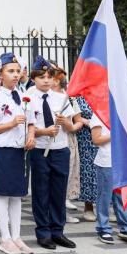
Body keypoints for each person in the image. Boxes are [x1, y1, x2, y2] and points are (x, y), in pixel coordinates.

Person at [0, 53, 34, 254]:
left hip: (21, 151)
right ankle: (5, 238)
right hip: (5, 151)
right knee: (3, 194)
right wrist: (11, 124)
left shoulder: (24, 97)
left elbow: (31, 122)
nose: (15, 75)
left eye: (18, 71)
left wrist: (31, 136)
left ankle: (16, 236)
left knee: (17, 195)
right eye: (10, 71)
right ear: (0, 74)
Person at [27, 56, 78, 250]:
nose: (46, 80)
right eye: (41, 77)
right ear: (34, 79)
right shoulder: (28, 100)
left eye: (49, 77)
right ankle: (43, 232)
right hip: (40, 150)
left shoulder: (62, 99)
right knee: (41, 192)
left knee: (58, 191)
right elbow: (26, 129)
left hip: (60, 150)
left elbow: (71, 127)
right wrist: (44, 132)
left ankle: (58, 231)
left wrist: (65, 122)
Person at [48, 64, 84, 223]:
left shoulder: (68, 98)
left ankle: (61, 211)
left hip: (67, 140)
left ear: (56, 81)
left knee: (64, 176)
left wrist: (71, 127)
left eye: (49, 77)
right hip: (47, 139)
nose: (45, 80)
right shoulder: (41, 96)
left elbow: (78, 121)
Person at [91, 113, 127, 244]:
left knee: (121, 196)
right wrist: (116, 135)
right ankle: (103, 228)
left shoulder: (124, 111)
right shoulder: (98, 114)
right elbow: (96, 139)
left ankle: (126, 227)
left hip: (123, 160)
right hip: (107, 161)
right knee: (105, 196)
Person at [75, 95, 99, 221]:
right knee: (87, 171)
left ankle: (105, 207)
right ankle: (88, 207)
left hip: (104, 134)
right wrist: (85, 121)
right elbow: (73, 116)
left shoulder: (106, 93)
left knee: (106, 171)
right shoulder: (79, 95)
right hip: (85, 137)